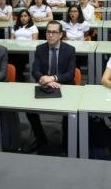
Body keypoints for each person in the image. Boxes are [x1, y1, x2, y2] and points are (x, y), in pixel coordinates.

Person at [24, 21, 76, 153]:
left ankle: (67, 140)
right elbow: (35, 71)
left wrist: (53, 78)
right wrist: (45, 80)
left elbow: (70, 74)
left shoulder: (69, 50)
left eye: (54, 32)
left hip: (64, 86)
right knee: (29, 110)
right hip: (45, 85)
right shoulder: (40, 48)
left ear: (60, 35)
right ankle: (40, 138)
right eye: (48, 32)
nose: (50, 35)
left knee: (70, 112)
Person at [9, 9, 38, 82]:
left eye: (25, 16)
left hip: (27, 51)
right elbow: (11, 40)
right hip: (15, 50)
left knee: (19, 61)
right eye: (21, 16)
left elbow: (34, 41)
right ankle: (14, 77)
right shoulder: (15, 27)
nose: (23, 18)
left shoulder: (33, 27)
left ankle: (19, 77)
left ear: (29, 17)